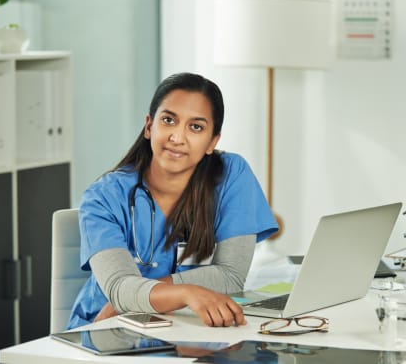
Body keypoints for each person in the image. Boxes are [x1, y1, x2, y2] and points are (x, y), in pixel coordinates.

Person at [68, 72, 278, 329]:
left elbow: (231, 275)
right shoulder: (103, 198)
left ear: (213, 141)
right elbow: (119, 289)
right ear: (149, 126)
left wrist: (148, 295)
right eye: (168, 120)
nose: (178, 137)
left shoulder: (231, 174)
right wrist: (186, 292)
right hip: (108, 326)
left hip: (185, 325)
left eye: (196, 127)